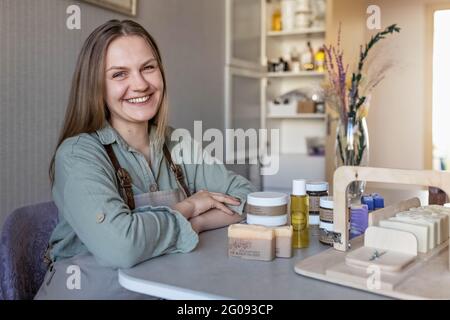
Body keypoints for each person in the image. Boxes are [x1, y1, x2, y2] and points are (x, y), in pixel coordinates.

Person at [35, 19, 255, 299]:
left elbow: (247, 199)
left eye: (148, 68)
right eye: (119, 74)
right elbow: (122, 245)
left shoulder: (177, 143)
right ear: (96, 86)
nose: (139, 84)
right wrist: (190, 207)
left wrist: (195, 222)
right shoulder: (78, 154)